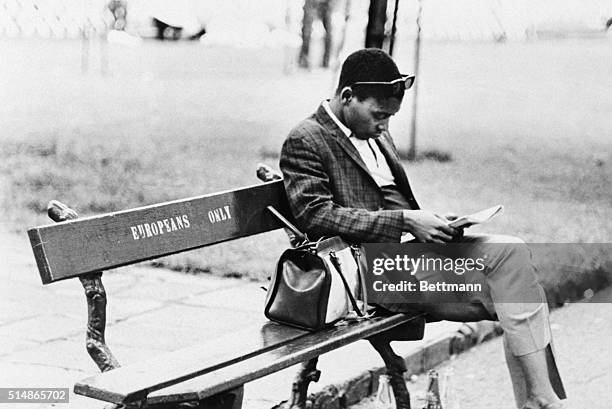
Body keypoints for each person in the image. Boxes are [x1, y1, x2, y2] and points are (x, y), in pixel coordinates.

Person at [279, 48, 569, 409]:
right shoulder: (306, 138)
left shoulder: (375, 134)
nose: (385, 125)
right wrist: (405, 222)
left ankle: (539, 399)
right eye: (380, 115)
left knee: (514, 256)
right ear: (348, 96)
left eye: (390, 117)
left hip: (412, 251)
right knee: (518, 290)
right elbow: (315, 216)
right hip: (370, 271)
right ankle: (541, 400)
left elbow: (392, 202)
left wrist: (434, 221)